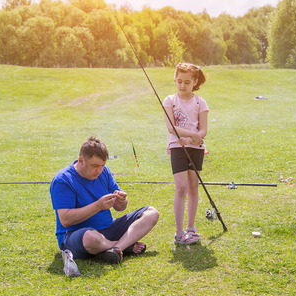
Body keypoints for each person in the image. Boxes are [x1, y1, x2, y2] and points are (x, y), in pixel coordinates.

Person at [50, 137, 159, 272]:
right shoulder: (63, 180)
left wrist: (122, 201)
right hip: (76, 235)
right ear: (81, 160)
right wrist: (97, 206)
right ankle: (124, 246)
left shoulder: (104, 172)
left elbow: (120, 208)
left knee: (152, 213)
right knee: (91, 238)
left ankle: (115, 249)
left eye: (102, 165)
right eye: (95, 166)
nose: (99, 170)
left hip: (107, 229)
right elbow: (66, 220)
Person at [162, 62, 208, 245]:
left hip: (195, 148)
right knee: (181, 187)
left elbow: (203, 130)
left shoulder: (200, 102)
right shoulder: (169, 101)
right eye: (179, 81)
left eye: (187, 82)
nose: (182, 85)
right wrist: (193, 136)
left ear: (195, 82)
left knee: (192, 187)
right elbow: (171, 128)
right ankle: (179, 232)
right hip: (176, 147)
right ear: (175, 79)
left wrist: (192, 140)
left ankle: (191, 228)